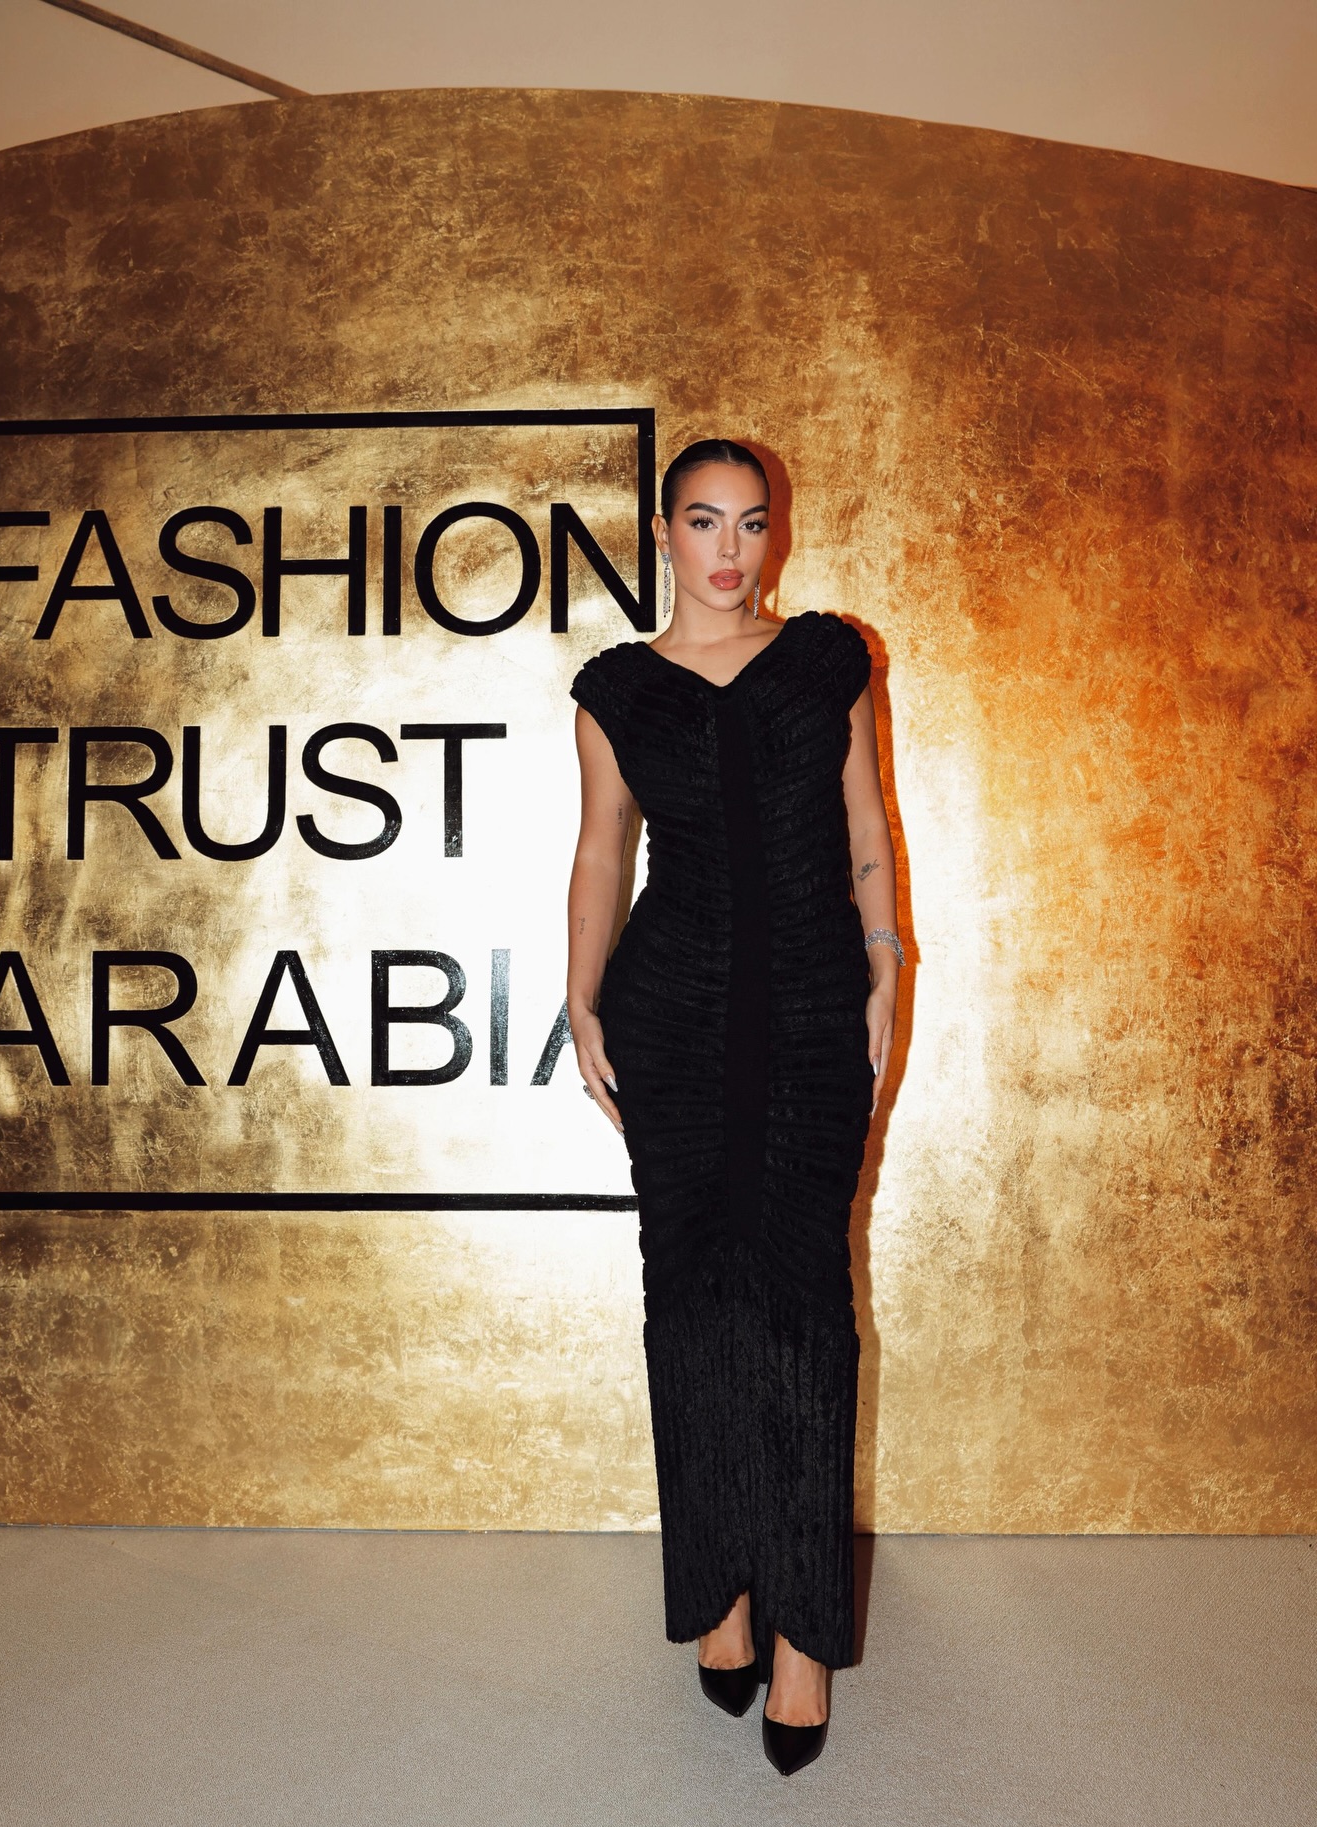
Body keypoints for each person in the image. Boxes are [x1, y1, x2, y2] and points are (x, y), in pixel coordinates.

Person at [565, 439, 902, 1777]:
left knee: (805, 1302)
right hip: (673, 1013)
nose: (729, 549)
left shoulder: (827, 662)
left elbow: (867, 825)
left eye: (751, 524)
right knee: (693, 1297)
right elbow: (603, 849)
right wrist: (582, 999)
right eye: (704, 522)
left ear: (776, 535)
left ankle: (806, 1635)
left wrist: (888, 964)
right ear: (664, 531)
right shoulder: (616, 689)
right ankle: (723, 1597)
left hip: (816, 1006)